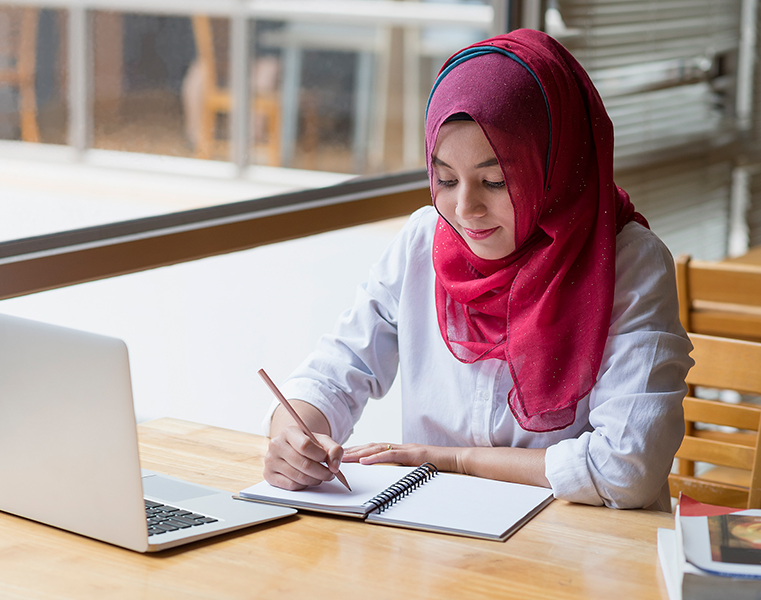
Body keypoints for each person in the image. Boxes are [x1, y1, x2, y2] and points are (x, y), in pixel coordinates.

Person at [262, 29, 694, 512]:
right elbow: (340, 370)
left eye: (494, 180)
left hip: (578, 556)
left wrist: (452, 460)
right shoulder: (423, 241)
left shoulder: (629, 264)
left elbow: (624, 469)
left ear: (553, 165)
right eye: (445, 179)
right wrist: (292, 434)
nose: (465, 209)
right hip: (439, 548)